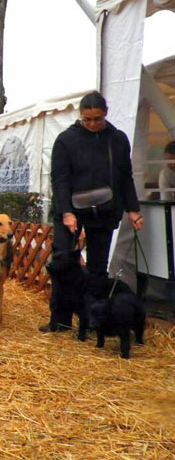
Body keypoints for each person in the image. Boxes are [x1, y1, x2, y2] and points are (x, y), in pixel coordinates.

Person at [42, 91, 142, 332]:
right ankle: (60, 320)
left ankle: (96, 319)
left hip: (105, 210)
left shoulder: (117, 139)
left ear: (105, 114)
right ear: (80, 115)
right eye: (87, 119)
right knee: (62, 263)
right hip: (70, 209)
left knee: (97, 268)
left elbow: (125, 177)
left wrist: (133, 209)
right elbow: (60, 179)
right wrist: (66, 211)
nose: (92, 124)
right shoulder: (66, 139)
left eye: (97, 118)